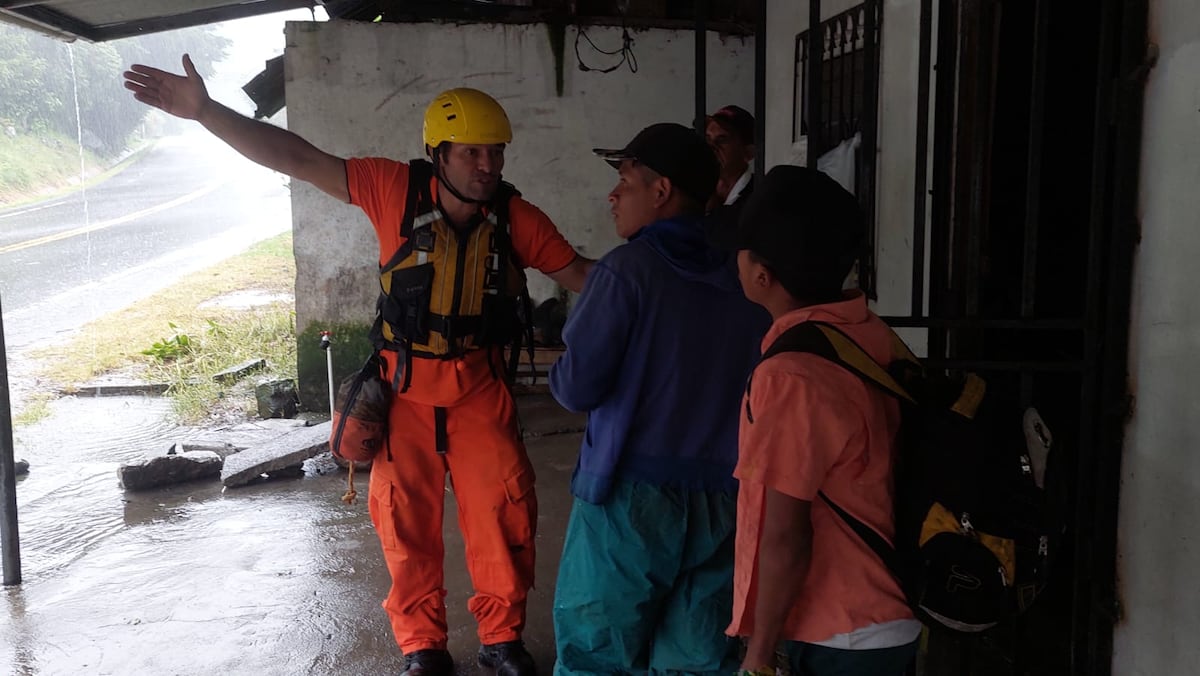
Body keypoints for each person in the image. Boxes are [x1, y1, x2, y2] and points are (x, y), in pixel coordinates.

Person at [124, 56, 593, 676]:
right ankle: (422, 646)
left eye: (496, 153)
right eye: (472, 154)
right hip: (402, 392)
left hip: (481, 390)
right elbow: (293, 155)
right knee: (405, 524)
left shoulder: (516, 219)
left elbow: (587, 277)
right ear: (439, 153)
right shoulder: (391, 188)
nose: (488, 167)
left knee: (505, 513)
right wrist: (207, 111)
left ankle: (502, 638)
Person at [548, 123, 769, 675]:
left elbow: (577, 388)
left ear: (662, 190)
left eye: (625, 181)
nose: (614, 195)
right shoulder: (743, 281)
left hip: (630, 500)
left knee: (595, 656)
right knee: (696, 658)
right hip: (722, 496)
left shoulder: (626, 272)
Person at [728, 165, 921, 676]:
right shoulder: (862, 333)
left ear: (761, 275)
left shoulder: (792, 377)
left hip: (842, 630)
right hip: (884, 611)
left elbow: (787, 535)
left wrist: (759, 654)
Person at [705, 104, 756, 210]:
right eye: (708, 138)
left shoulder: (758, 196)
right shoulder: (696, 191)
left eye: (722, 139)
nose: (711, 146)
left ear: (748, 152)